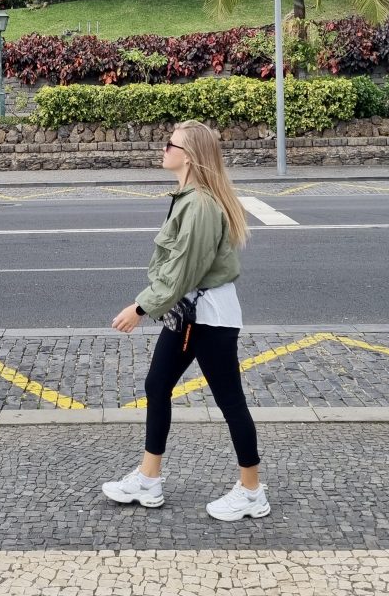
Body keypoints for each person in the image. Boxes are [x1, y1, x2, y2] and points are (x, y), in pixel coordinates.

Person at [102, 119, 269, 521]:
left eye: (168, 144)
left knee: (230, 400)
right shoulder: (188, 197)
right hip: (190, 312)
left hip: (208, 316)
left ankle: (252, 491)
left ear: (189, 156)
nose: (163, 150)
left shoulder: (199, 206)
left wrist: (140, 308)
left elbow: (182, 271)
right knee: (157, 384)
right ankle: (148, 479)